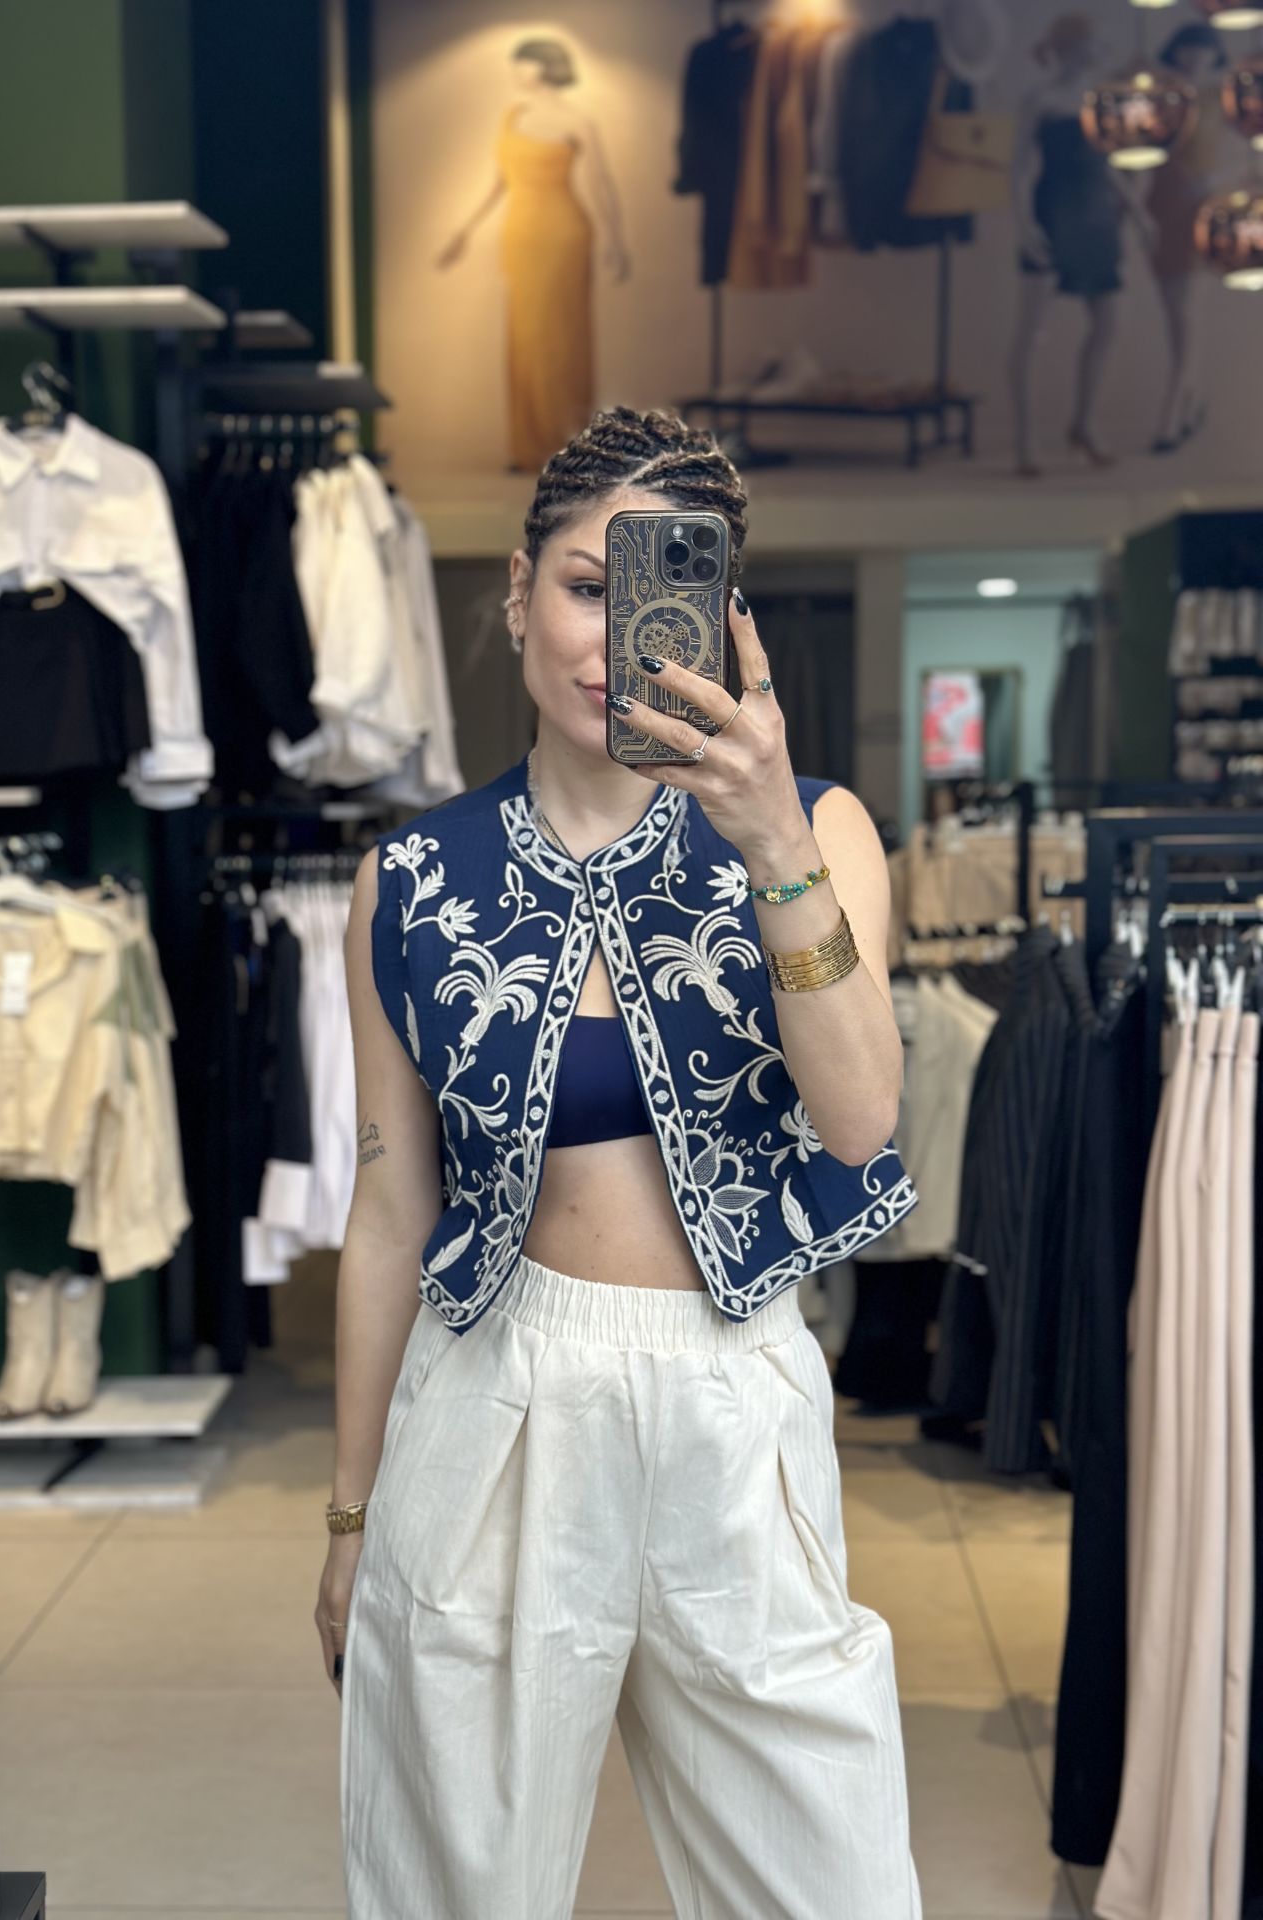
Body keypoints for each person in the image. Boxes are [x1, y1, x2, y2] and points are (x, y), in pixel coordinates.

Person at [320, 405, 923, 1919]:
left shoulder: (820, 832)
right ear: (519, 597)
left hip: (735, 1388)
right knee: (460, 1882)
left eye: (659, 592)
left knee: (829, 1879)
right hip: (494, 1396)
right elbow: (389, 1213)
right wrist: (348, 1514)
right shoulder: (410, 880)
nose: (612, 637)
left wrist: (768, 831)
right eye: (587, 586)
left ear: (722, 621)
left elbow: (862, 1120)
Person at [435, 36, 629, 472]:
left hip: (564, 233)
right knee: (526, 336)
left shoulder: (577, 120)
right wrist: (463, 231)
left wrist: (616, 240)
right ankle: (529, 444)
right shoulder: (513, 116)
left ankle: (568, 442)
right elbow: (498, 181)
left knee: (562, 337)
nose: (515, 71)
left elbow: (601, 183)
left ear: (541, 67)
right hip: (521, 235)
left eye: (521, 63)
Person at [1009, 13, 1155, 477]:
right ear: (1073, 47)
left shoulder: (1100, 99)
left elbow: (1107, 165)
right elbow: (1018, 167)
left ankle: (1083, 423)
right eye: (1092, 44)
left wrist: (1138, 213)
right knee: (1031, 331)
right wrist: (1024, 224)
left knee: (1109, 322)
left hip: (1097, 215)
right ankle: (1025, 441)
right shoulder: (1041, 98)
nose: (1097, 52)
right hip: (1054, 210)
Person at [1145, 22, 1233, 453]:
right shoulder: (1161, 95)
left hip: (1199, 206)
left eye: (1203, 49)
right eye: (1188, 48)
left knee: (1187, 318)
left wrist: (1219, 181)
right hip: (1163, 205)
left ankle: (1172, 415)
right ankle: (1190, 404)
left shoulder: (1222, 97)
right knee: (1178, 318)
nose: (1195, 56)